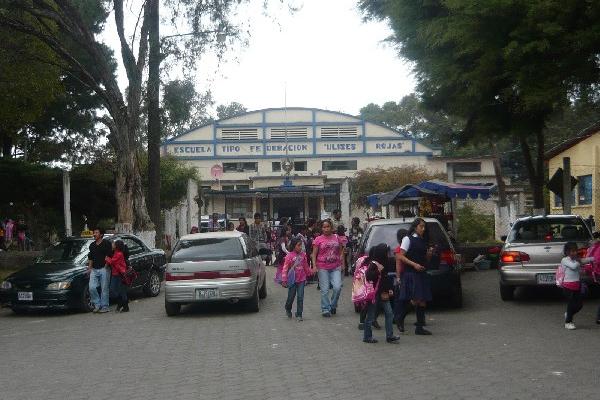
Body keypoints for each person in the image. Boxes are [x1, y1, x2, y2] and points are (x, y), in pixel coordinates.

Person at [396, 218, 433, 335]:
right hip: (411, 273)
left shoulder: (423, 240)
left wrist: (429, 254)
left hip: (421, 272)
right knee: (416, 299)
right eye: (421, 226)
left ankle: (420, 327)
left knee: (422, 301)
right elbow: (400, 256)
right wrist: (414, 265)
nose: (423, 229)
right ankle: (400, 318)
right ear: (415, 227)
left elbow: (425, 259)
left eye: (424, 227)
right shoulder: (408, 239)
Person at [363, 243, 401, 344]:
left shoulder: (386, 262)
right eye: (386, 252)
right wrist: (378, 271)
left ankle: (390, 335)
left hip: (383, 293)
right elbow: (369, 276)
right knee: (371, 316)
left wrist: (389, 289)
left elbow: (385, 278)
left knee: (389, 313)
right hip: (374, 294)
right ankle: (367, 336)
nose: (388, 254)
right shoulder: (374, 264)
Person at [311, 219, 344, 317]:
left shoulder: (337, 237)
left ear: (331, 227)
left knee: (337, 287)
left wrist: (342, 263)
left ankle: (333, 305)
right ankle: (325, 308)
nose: (326, 229)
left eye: (328, 227)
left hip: (336, 266)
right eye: (324, 227)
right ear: (321, 228)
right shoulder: (318, 239)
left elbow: (342, 250)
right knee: (324, 289)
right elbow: (314, 254)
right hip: (322, 267)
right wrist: (314, 266)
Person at [561, 241, 594, 329]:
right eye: (572, 251)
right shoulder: (565, 260)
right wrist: (580, 261)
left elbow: (585, 260)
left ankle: (569, 314)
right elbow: (574, 266)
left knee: (579, 305)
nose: (574, 253)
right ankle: (568, 322)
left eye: (575, 251)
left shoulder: (576, 259)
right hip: (567, 286)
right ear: (567, 252)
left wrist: (594, 258)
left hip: (577, 285)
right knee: (571, 303)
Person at [281, 237, 315, 321]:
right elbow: (285, 268)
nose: (300, 247)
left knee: (300, 297)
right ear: (293, 246)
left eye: (301, 245)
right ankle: (288, 308)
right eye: (299, 245)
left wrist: (311, 272)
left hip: (302, 280)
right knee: (291, 297)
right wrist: (284, 280)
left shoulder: (303, 255)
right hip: (292, 280)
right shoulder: (289, 256)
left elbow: (306, 266)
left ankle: (299, 314)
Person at [87, 228, 113, 313]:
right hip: (94, 269)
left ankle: (105, 306)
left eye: (96, 232)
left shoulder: (107, 243)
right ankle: (97, 304)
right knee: (91, 287)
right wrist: (90, 268)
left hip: (104, 269)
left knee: (104, 288)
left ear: (101, 234)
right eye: (94, 232)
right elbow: (90, 257)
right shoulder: (92, 245)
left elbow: (110, 255)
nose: (94, 234)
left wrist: (106, 265)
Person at [393, 228, 411, 333]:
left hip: (403, 275)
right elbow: (398, 264)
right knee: (403, 299)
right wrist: (399, 277)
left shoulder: (399, 248)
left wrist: (398, 277)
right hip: (405, 275)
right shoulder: (403, 249)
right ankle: (398, 318)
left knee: (399, 299)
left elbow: (398, 265)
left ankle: (397, 317)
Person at [105, 239, 129, 312]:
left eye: (114, 244)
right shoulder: (115, 252)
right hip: (115, 274)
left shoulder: (119, 254)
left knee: (121, 290)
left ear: (117, 246)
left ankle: (125, 306)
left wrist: (106, 258)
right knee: (114, 290)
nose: (112, 245)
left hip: (120, 274)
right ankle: (121, 303)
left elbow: (112, 261)